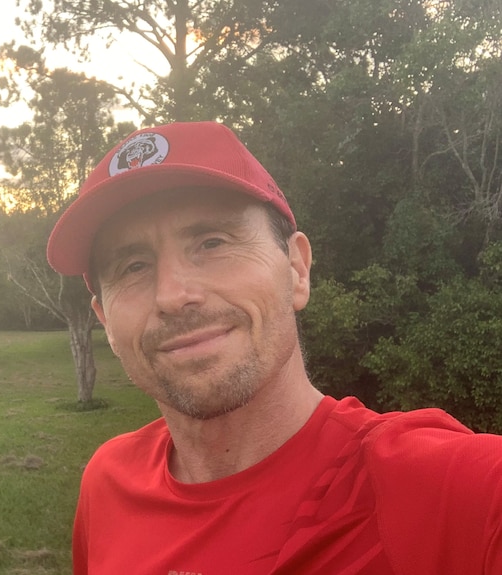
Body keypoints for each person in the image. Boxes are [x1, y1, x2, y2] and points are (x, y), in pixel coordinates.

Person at [45, 121, 502, 575]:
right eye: (133, 266)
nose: (172, 295)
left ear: (296, 269)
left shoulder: (450, 494)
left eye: (212, 242)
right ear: (105, 320)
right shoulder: (108, 482)